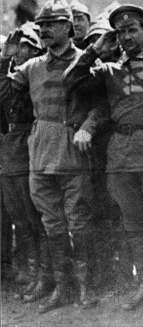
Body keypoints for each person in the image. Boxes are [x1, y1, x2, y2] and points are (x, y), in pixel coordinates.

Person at [64, 4, 143, 315]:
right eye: (121, 32)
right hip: (120, 157)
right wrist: (94, 50)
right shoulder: (109, 70)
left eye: (132, 30)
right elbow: (72, 80)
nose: (127, 36)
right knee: (133, 225)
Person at [1, 0, 97, 313]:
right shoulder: (31, 67)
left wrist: (89, 126)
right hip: (40, 152)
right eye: (41, 25)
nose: (44, 30)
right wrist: (6, 56)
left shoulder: (85, 61)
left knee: (79, 222)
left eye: (52, 24)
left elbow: (103, 104)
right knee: (52, 225)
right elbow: (5, 94)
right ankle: (63, 287)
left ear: (69, 27)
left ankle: (85, 287)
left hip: (73, 150)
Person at [0, 23, 51, 302]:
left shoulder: (34, 74)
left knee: (36, 219)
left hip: (31, 146)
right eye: (16, 47)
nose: (20, 52)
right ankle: (32, 273)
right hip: (9, 151)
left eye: (27, 46)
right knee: (19, 219)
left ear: (36, 49)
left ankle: (44, 275)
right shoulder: (10, 78)